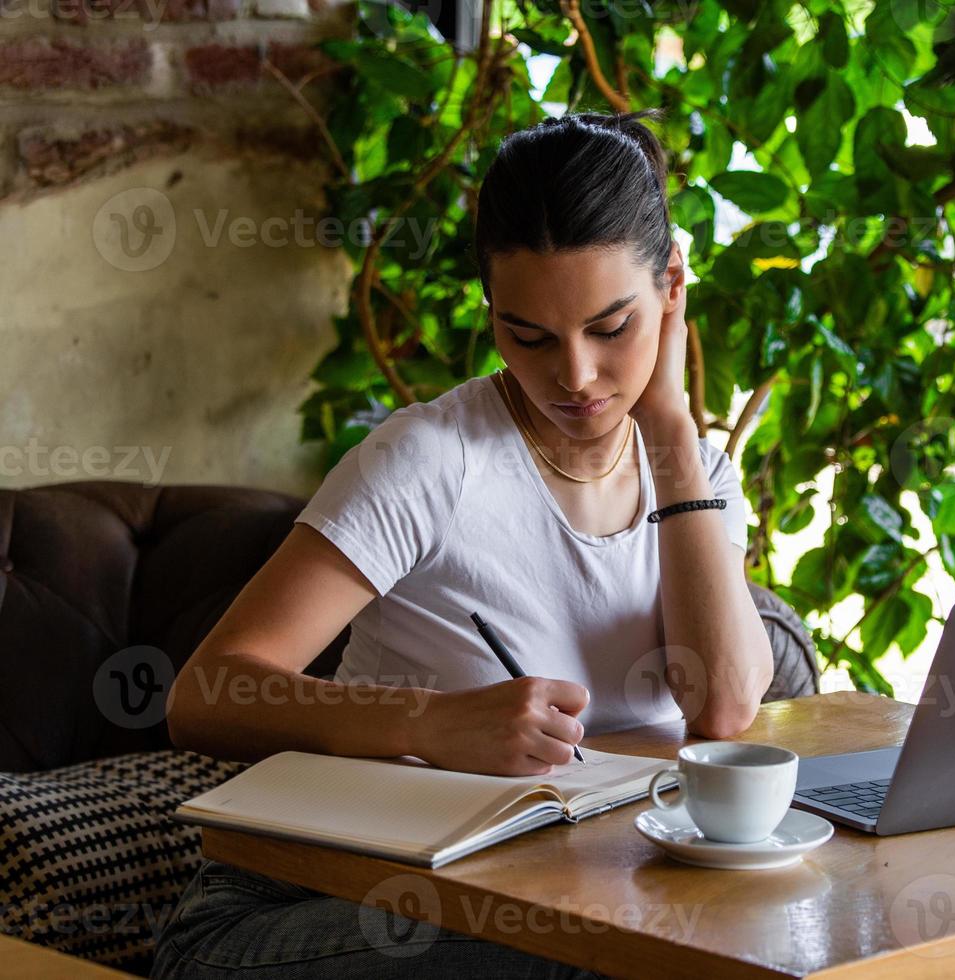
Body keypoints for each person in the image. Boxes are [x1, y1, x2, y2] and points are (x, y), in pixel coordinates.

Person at [152, 109, 775, 979]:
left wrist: (669, 423)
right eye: (528, 335)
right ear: (491, 312)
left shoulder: (693, 469)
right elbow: (205, 697)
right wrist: (432, 721)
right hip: (304, 913)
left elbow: (724, 710)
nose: (575, 377)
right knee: (607, 950)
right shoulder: (428, 461)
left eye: (610, 328)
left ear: (673, 287)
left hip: (563, 893)